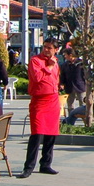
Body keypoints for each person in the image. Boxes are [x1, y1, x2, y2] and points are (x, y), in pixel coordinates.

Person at [18, 38, 61, 178]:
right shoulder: (35, 60)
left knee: (51, 135)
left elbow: (56, 79)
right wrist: (48, 67)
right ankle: (29, 166)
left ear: (56, 50)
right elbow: (36, 78)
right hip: (39, 101)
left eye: (49, 48)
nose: (46, 50)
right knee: (37, 134)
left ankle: (46, 164)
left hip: (53, 100)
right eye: (45, 47)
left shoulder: (55, 62)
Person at [60, 48, 87, 112]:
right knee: (70, 104)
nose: (65, 56)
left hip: (80, 86)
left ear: (71, 55)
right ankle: (71, 118)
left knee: (82, 102)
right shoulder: (65, 65)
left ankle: (84, 117)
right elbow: (62, 75)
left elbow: (85, 74)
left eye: (66, 55)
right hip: (69, 87)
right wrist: (62, 83)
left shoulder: (81, 63)